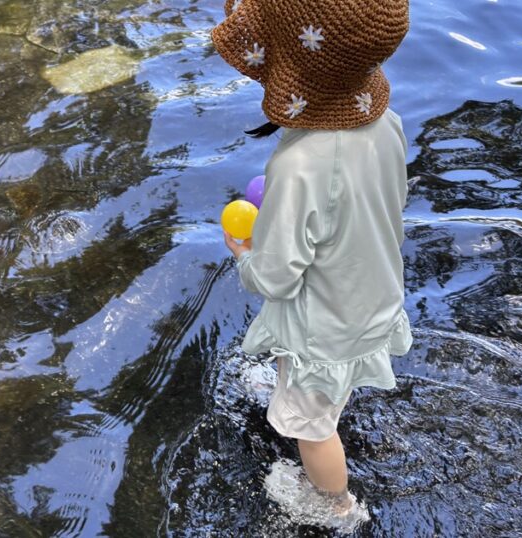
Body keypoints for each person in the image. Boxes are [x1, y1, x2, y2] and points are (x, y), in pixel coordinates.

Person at [211, 0, 413, 527]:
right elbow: (387, 204)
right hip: (373, 296)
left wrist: (246, 254)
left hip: (323, 329)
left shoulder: (298, 164)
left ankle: (336, 507)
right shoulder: (386, 122)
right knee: (327, 391)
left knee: (312, 429)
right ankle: (323, 399)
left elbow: (278, 277)